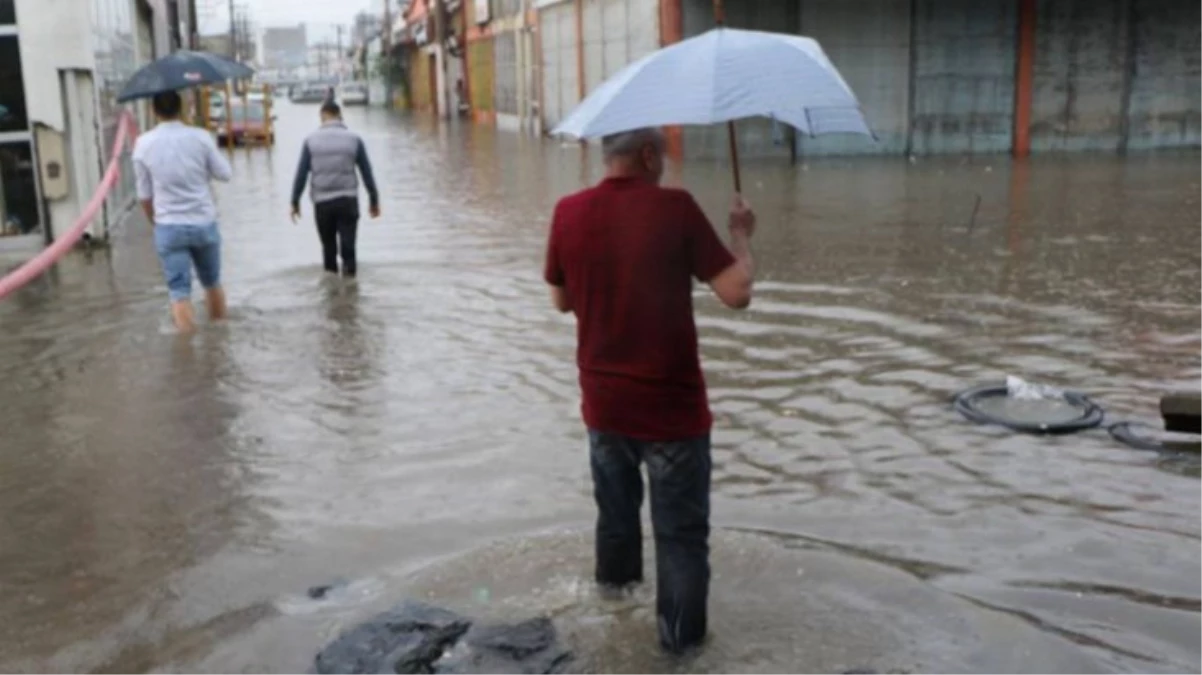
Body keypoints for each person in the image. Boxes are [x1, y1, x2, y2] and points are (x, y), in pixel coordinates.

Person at [542, 127, 756, 653]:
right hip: (672, 415)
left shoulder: (568, 211)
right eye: (661, 156)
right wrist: (742, 234)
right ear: (646, 156)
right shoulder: (675, 209)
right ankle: (680, 656)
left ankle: (613, 624)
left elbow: (561, 301)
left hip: (604, 408)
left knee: (616, 524)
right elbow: (737, 293)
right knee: (680, 540)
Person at [133, 89, 233, 332]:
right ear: (182, 108)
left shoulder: (143, 144)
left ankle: (187, 350)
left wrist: (156, 223)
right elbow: (225, 174)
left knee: (179, 292)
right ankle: (219, 341)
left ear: (153, 111)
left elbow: (144, 196)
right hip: (203, 222)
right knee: (212, 283)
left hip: (169, 226)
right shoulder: (201, 137)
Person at [290, 101, 381, 278]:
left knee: (328, 248)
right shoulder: (354, 139)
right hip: (348, 201)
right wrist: (374, 200)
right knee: (349, 247)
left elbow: (301, 175)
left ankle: (331, 293)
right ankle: (350, 288)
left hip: (322, 203)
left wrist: (295, 202)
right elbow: (366, 172)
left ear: (322, 116)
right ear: (340, 116)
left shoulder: (310, 141)